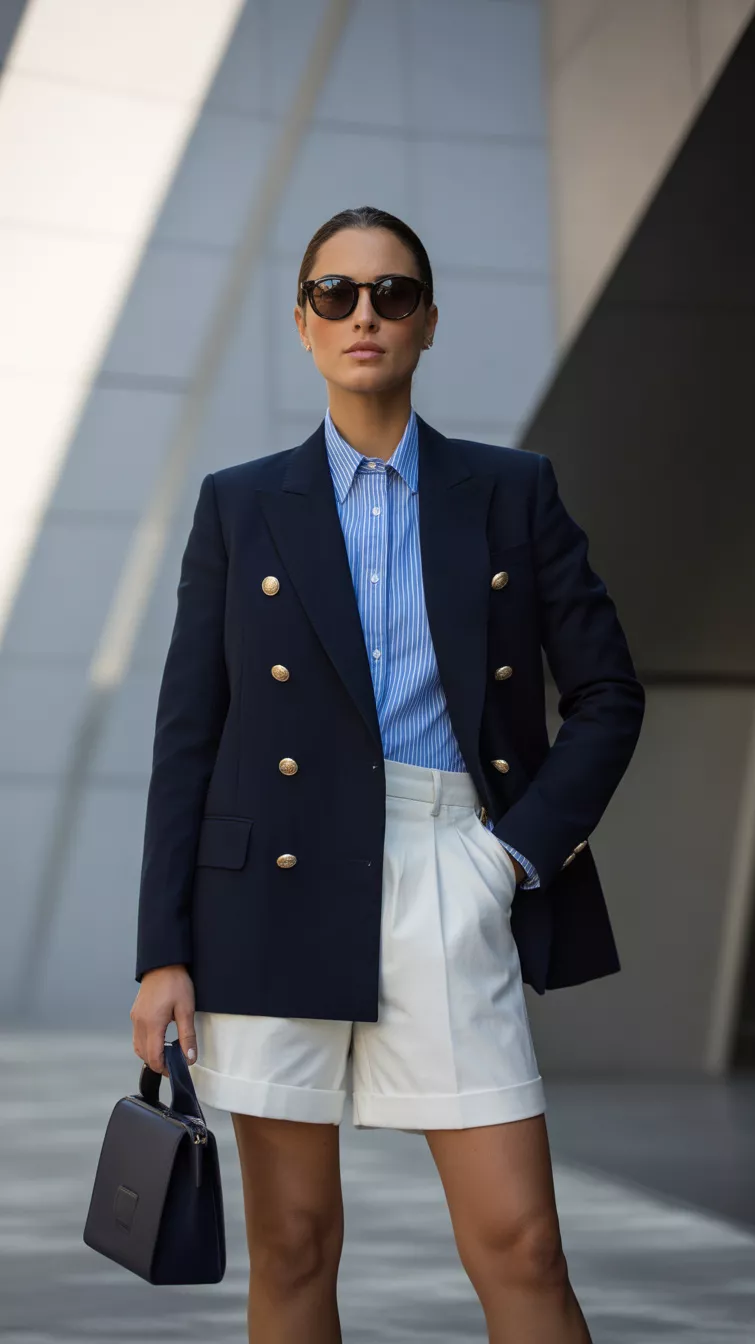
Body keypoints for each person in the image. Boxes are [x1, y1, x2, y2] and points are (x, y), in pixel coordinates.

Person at [131, 205, 644, 1343]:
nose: (366, 315)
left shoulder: (513, 492)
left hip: (447, 868)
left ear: (426, 324)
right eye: (337, 295)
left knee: (524, 1246)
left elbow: (610, 694)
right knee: (296, 1245)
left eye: (393, 294)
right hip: (269, 889)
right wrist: (162, 950)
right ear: (305, 324)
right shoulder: (238, 505)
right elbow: (189, 735)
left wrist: (506, 855)